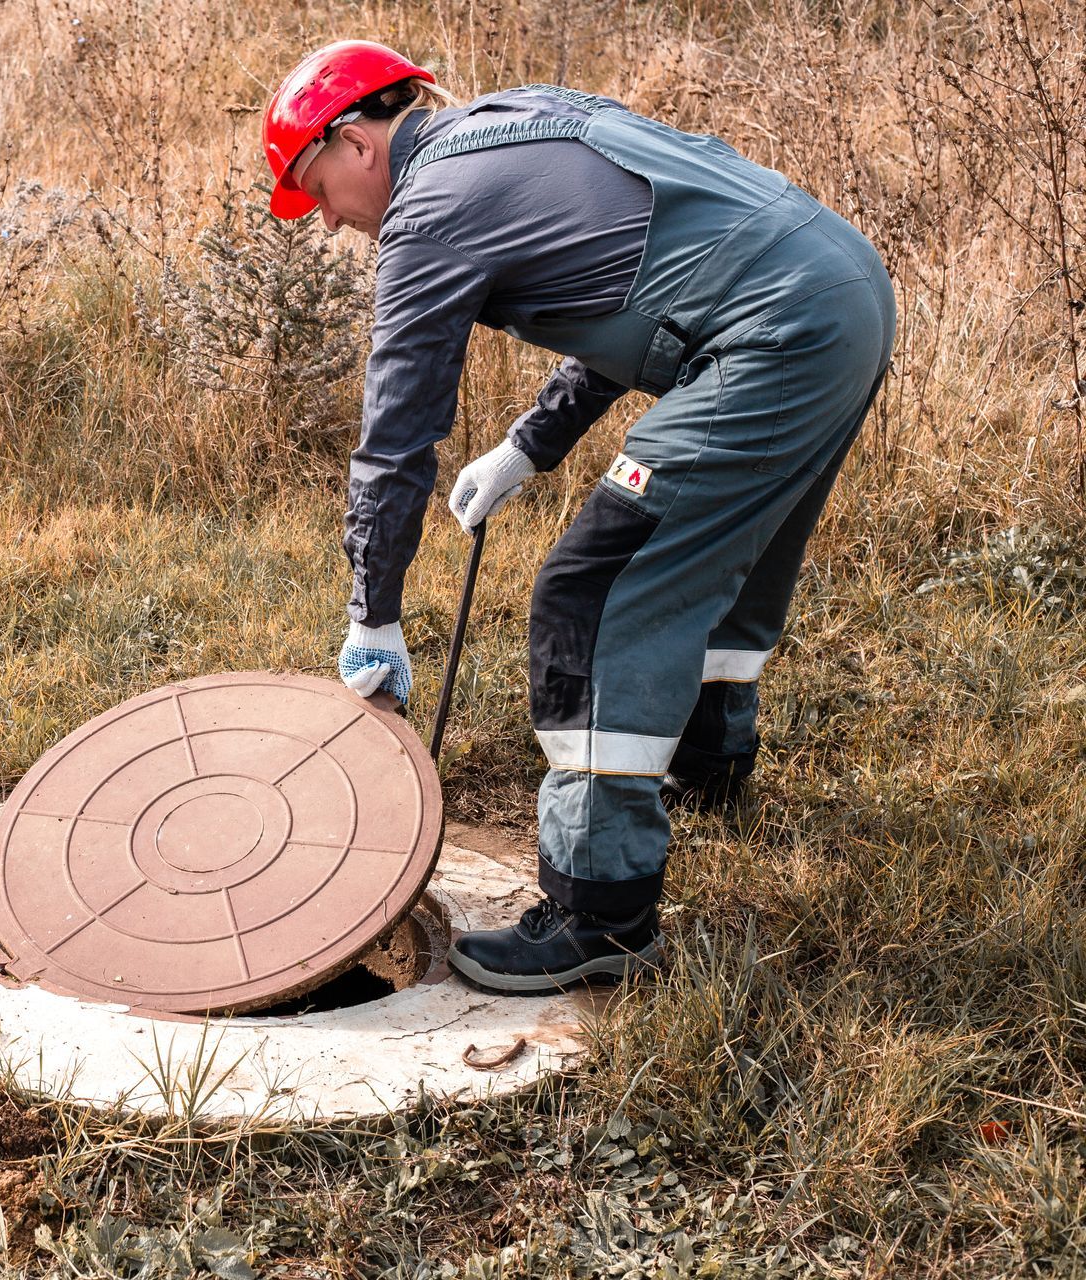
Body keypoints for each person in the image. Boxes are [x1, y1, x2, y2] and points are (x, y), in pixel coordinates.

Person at [263, 41, 895, 995]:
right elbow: (648, 280)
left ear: (353, 143)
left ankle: (601, 912)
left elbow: (395, 442)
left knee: (591, 592)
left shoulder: (425, 213)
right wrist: (530, 445)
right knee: (722, 546)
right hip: (842, 287)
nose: (336, 224)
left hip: (772, 330)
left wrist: (373, 614)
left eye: (319, 192)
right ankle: (707, 764)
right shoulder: (519, 117)